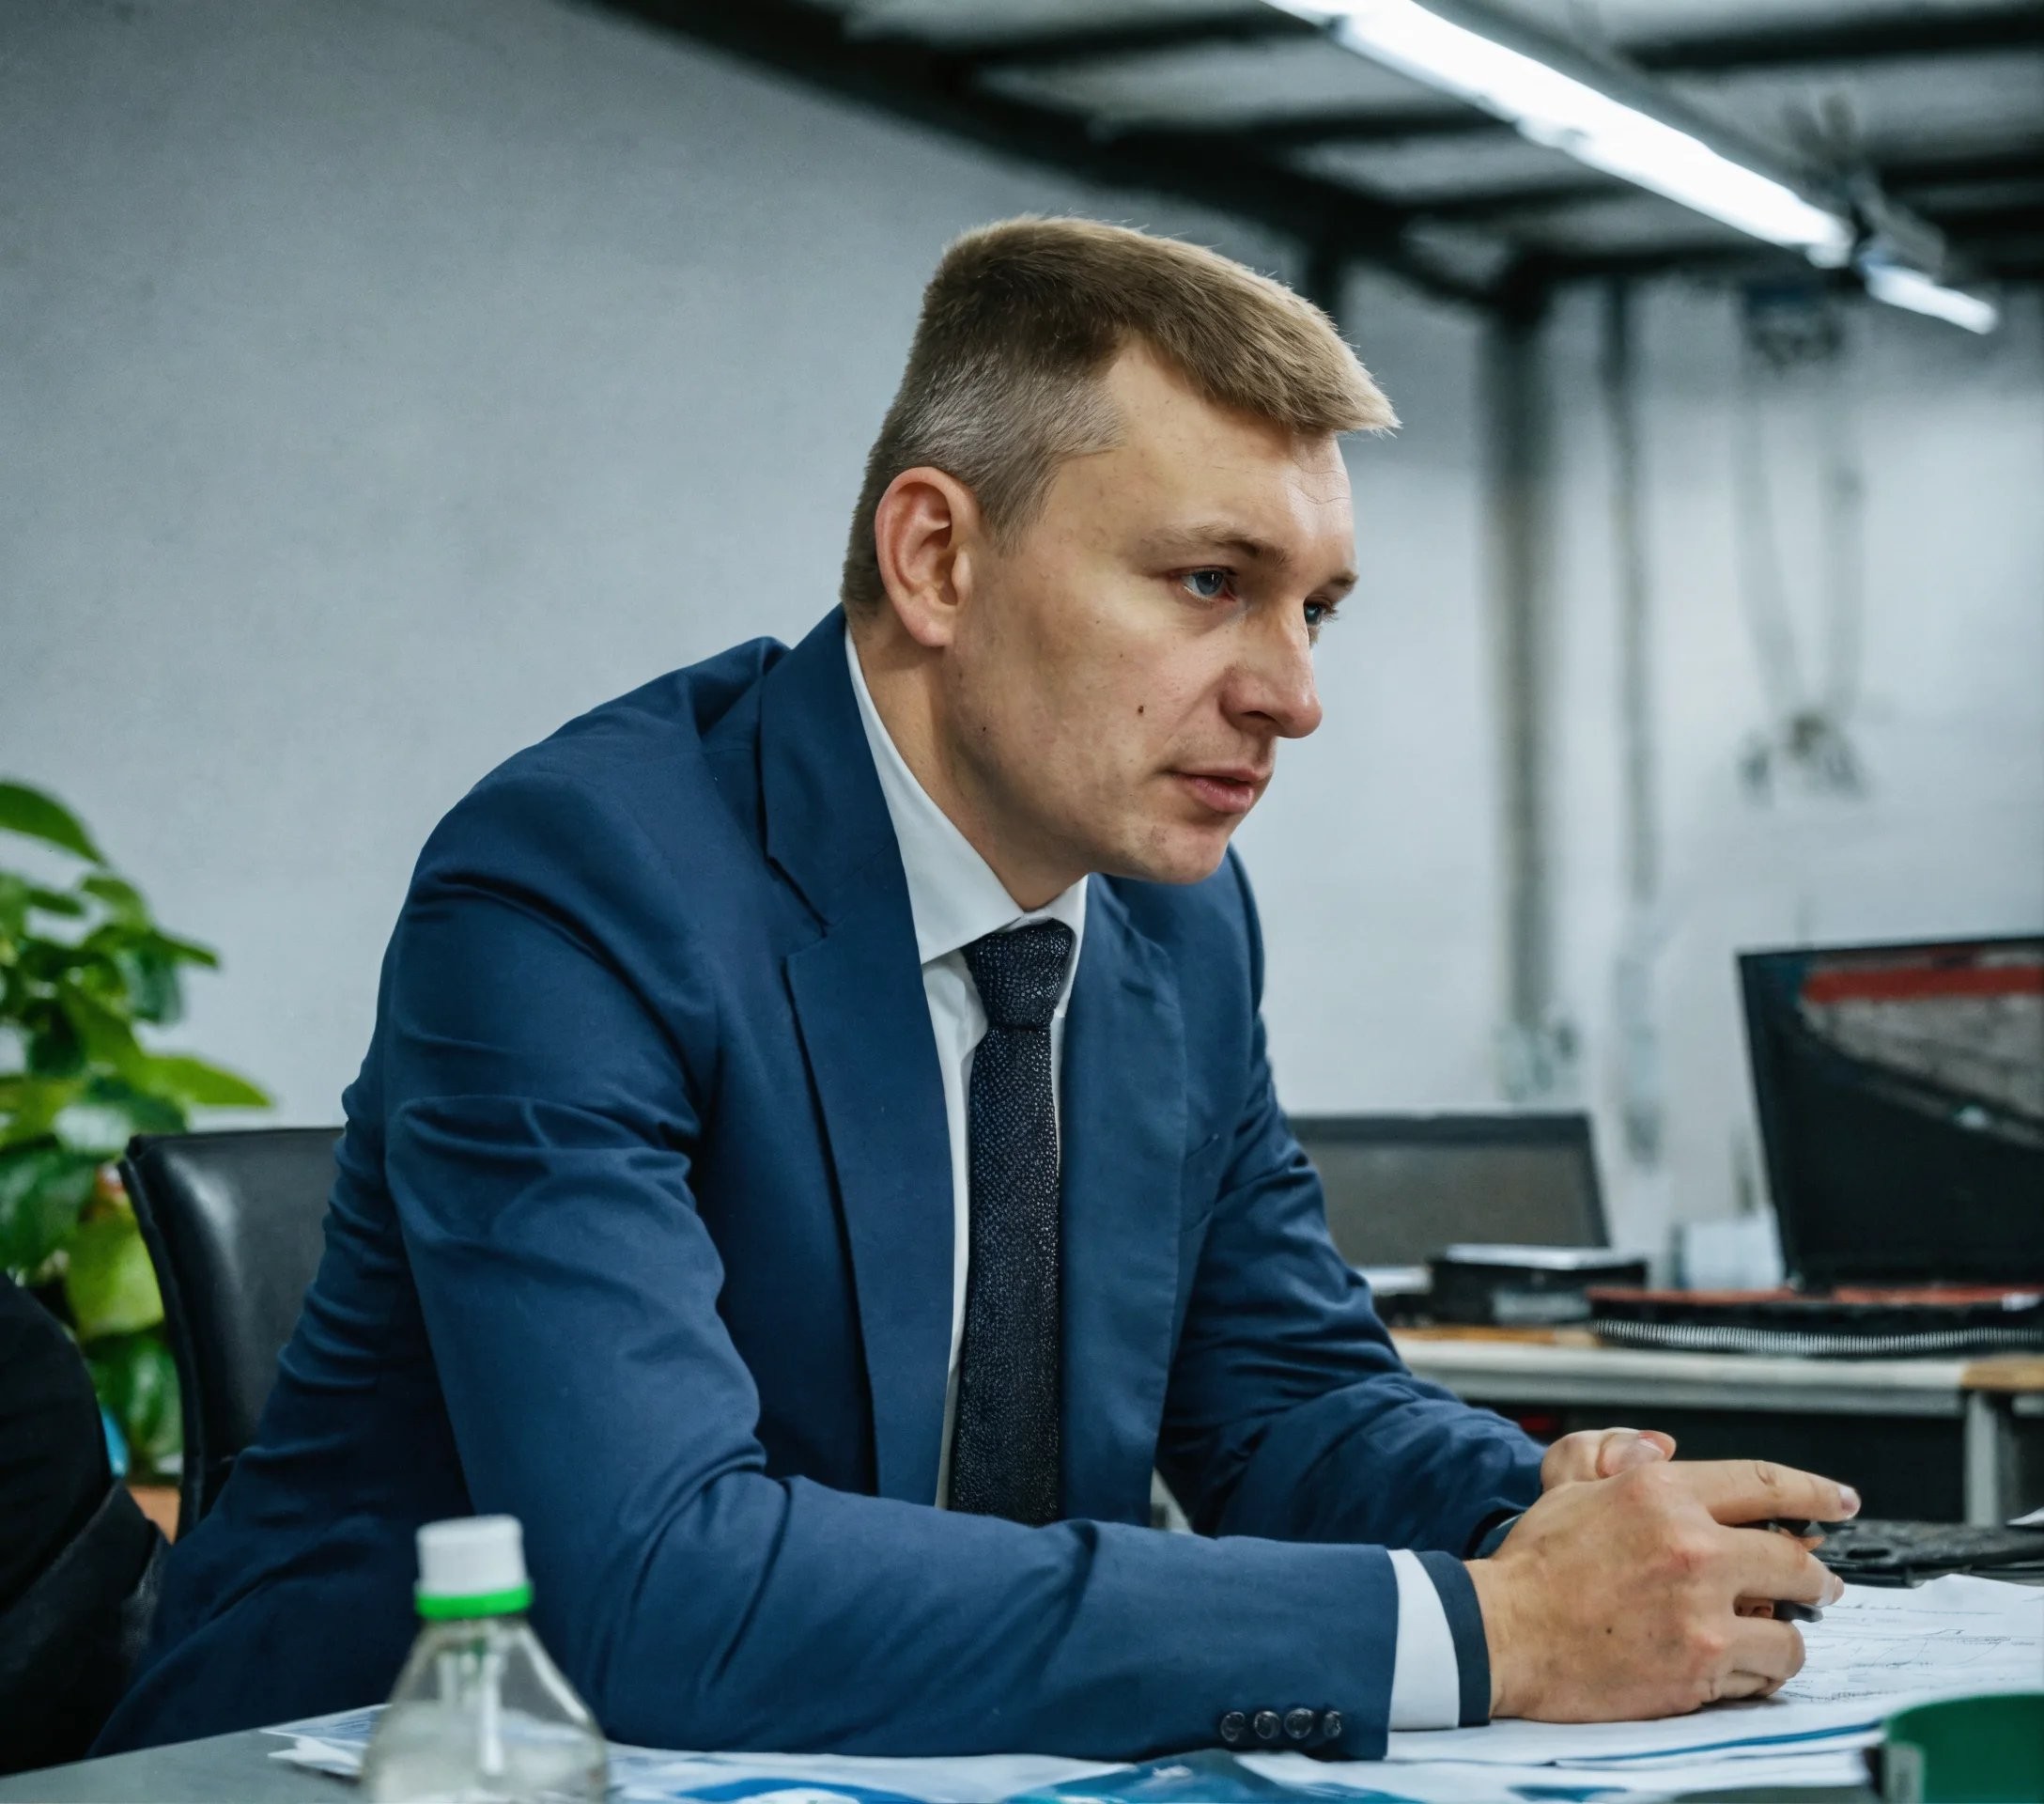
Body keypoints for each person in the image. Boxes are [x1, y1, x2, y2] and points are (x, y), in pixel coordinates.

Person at [96, 218, 1853, 1763]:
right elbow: (659, 1582)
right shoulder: (578, 883)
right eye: (1212, 584)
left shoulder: (1176, 923)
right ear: (937, 557)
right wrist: (1488, 1631)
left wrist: (1550, 1512)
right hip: (359, 1765)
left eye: (1316, 609)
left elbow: (1281, 1401)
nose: (1293, 695)